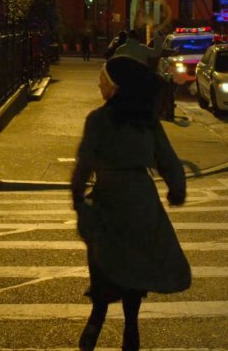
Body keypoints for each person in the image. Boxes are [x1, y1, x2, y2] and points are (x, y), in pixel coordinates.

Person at [70, 56, 191, 351]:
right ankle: (131, 332)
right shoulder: (146, 122)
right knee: (135, 273)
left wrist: (78, 200)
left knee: (105, 269)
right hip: (142, 202)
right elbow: (168, 159)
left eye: (103, 80)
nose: (100, 84)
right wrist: (177, 189)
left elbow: (84, 165)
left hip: (108, 202)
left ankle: (94, 326)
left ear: (114, 87)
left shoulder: (97, 120)